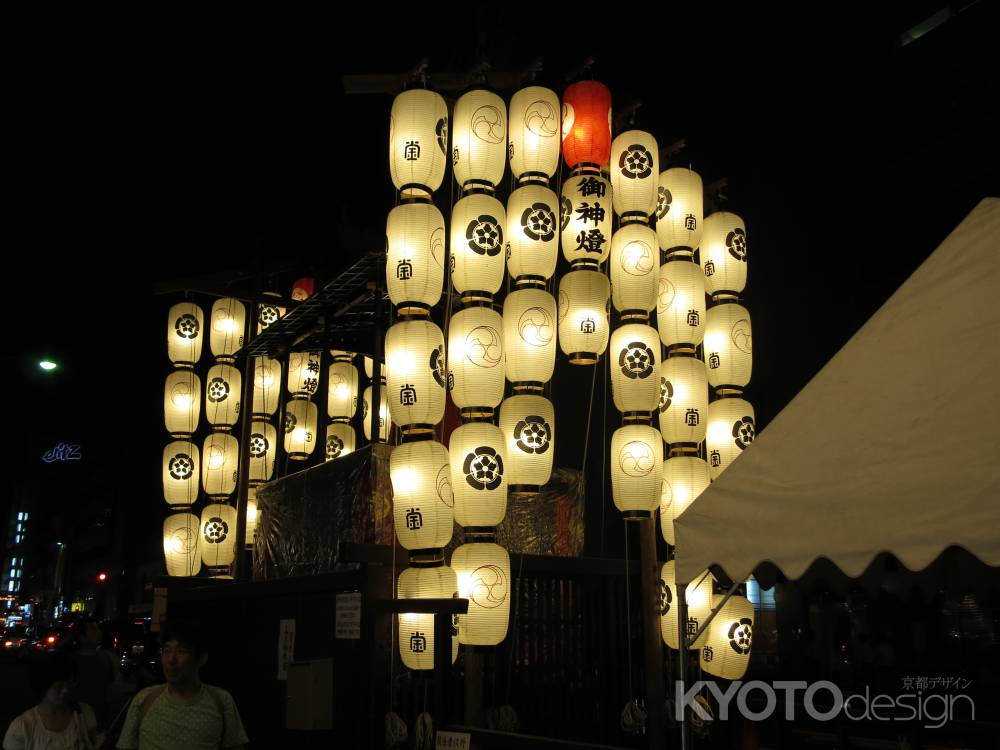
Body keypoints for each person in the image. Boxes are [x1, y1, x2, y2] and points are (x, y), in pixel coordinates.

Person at [115, 620, 247, 750]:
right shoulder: (144, 699)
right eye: (166, 651)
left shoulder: (221, 701)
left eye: (182, 651)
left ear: (201, 658)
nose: (171, 660)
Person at [3, 653, 102, 749]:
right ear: (43, 686)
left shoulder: (83, 713)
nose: (65, 691)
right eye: (58, 686)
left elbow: (93, 741)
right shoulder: (22, 727)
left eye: (69, 684)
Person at [71, 620, 118, 730]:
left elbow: (111, 687)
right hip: (78, 720)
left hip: (100, 720)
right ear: (81, 637)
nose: (98, 632)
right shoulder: (71, 661)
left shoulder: (106, 658)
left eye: (98, 629)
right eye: (93, 630)